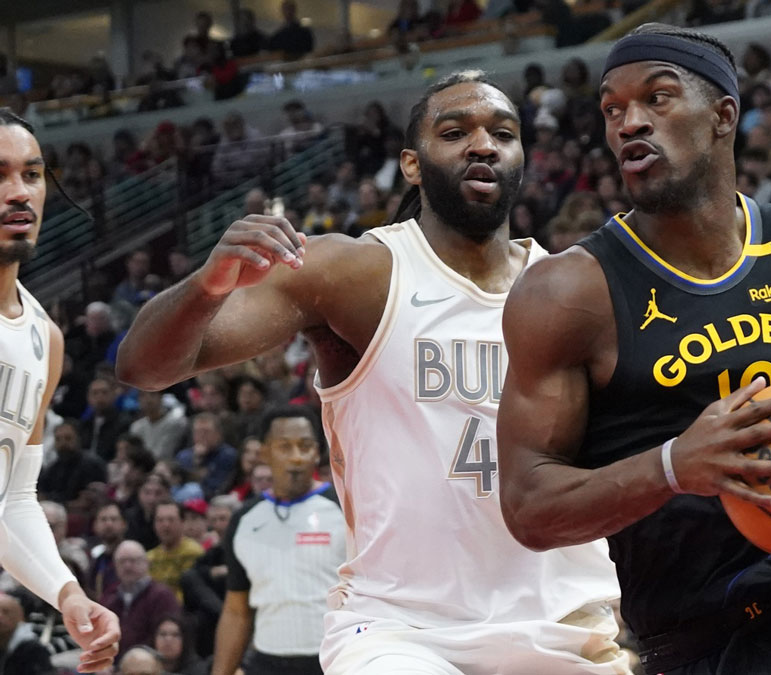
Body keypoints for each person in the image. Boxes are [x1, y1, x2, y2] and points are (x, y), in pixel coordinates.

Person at [116, 72, 624, 674]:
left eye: (503, 134)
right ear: (411, 163)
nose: (483, 145)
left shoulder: (581, 286)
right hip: (401, 631)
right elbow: (143, 366)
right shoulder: (355, 272)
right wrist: (207, 284)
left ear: (521, 155)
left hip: (562, 626)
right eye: (456, 131)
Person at [497, 23, 771, 674]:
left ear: (722, 116)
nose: (629, 123)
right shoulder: (569, 294)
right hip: (699, 630)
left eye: (657, 98)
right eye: (613, 109)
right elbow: (528, 505)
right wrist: (676, 464)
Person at [0, 109, 120, 672]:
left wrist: (66, 592)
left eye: (32, 174)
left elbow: (12, 500)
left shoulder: (44, 338)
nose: (18, 192)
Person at [212, 407, 344, 675]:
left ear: (318, 452)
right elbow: (237, 610)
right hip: (266, 663)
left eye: (305, 446)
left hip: (337, 660)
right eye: (284, 447)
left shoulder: (346, 510)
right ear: (264, 453)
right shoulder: (245, 520)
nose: (296, 457)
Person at [101, 540, 181, 656]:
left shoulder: (162, 595)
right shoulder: (109, 595)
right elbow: (99, 633)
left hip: (149, 661)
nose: (127, 566)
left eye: (133, 561)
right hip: (111, 660)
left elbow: (164, 638)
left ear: (146, 563)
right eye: (122, 561)